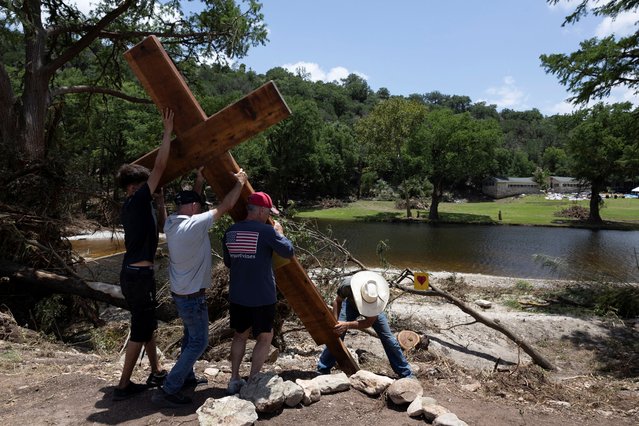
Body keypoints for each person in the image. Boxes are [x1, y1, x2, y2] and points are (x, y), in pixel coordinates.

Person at [152, 168, 248, 407]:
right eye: (200, 205)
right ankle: (171, 386)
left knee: (189, 336)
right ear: (195, 208)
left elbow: (192, 201)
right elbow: (225, 205)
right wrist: (240, 183)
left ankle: (186, 376)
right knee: (199, 342)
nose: (203, 208)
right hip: (192, 297)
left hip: (181, 293)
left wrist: (199, 180)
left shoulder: (173, 222)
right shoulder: (194, 224)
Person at [113, 108, 174, 401]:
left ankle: (156, 369)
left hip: (139, 275)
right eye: (135, 186)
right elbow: (159, 168)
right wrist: (167, 132)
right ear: (129, 190)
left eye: (142, 186)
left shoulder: (142, 205)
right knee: (140, 328)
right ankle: (123, 386)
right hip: (137, 276)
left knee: (147, 324)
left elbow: (162, 225)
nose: (140, 190)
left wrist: (160, 202)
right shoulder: (135, 200)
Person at [222, 192, 295, 394]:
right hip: (262, 296)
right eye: (268, 212)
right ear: (262, 211)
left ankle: (234, 379)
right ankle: (253, 378)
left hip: (237, 295)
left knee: (239, 336)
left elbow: (229, 262)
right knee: (265, 336)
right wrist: (279, 233)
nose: (269, 216)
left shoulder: (230, 231)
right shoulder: (267, 232)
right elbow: (288, 251)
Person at [317, 270, 414, 378]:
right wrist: (336, 321)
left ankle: (406, 374)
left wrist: (347, 324)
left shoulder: (377, 297)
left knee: (389, 339)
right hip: (350, 306)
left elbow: (368, 322)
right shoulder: (347, 286)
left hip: (373, 309)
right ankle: (323, 369)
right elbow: (338, 301)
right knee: (337, 333)